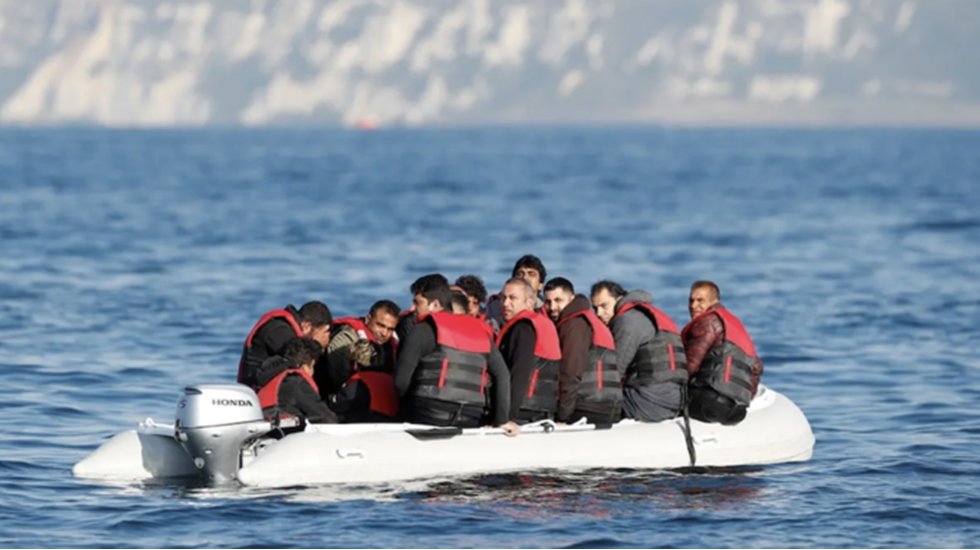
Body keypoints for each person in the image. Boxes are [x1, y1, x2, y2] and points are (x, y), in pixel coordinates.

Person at [393, 283, 518, 435]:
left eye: (417, 303)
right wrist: (501, 420)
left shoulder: (424, 328)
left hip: (430, 410)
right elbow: (502, 375)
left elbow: (400, 382)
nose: (414, 309)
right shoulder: (482, 331)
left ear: (437, 305)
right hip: (472, 413)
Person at [591, 280, 687, 422]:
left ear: (618, 298)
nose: (599, 313)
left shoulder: (626, 321)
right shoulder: (650, 313)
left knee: (590, 405)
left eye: (604, 306)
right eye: (595, 308)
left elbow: (615, 371)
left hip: (650, 401)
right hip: (676, 398)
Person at [681, 280, 764, 425]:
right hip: (738, 412)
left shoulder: (707, 323)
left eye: (700, 300)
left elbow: (690, 367)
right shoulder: (732, 324)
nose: (693, 306)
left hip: (709, 405)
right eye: (691, 300)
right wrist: (744, 398)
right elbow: (757, 367)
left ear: (714, 301)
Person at [543, 277, 623, 424]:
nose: (552, 307)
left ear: (571, 299)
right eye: (548, 302)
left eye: (558, 300)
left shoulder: (575, 325)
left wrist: (562, 416)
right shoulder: (581, 319)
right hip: (605, 404)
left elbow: (571, 374)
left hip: (591, 407)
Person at [496, 277, 562, 423]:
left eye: (513, 298)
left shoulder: (523, 328)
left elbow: (519, 372)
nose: (505, 303)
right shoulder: (543, 324)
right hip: (544, 410)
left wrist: (507, 418)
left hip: (523, 412)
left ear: (530, 302)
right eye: (503, 298)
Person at [237, 301, 332, 390]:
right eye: (324, 332)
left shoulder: (285, 329)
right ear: (306, 326)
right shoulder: (278, 330)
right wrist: (318, 345)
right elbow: (298, 356)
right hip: (255, 393)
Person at [317, 300, 400, 395]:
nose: (384, 333)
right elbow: (337, 375)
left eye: (390, 329)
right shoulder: (347, 338)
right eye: (380, 325)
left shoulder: (391, 343)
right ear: (368, 319)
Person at [256, 337, 338, 424]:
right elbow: (327, 418)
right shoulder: (296, 383)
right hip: (289, 434)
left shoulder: (270, 377)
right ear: (309, 364)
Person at [486, 254, 548, 330]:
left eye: (531, 274)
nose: (525, 278)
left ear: (540, 285)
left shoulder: (548, 308)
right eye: (520, 274)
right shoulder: (495, 306)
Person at [395, 273, 450, 343]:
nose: (411, 308)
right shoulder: (406, 325)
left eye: (417, 303)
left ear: (435, 305)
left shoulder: (411, 326)